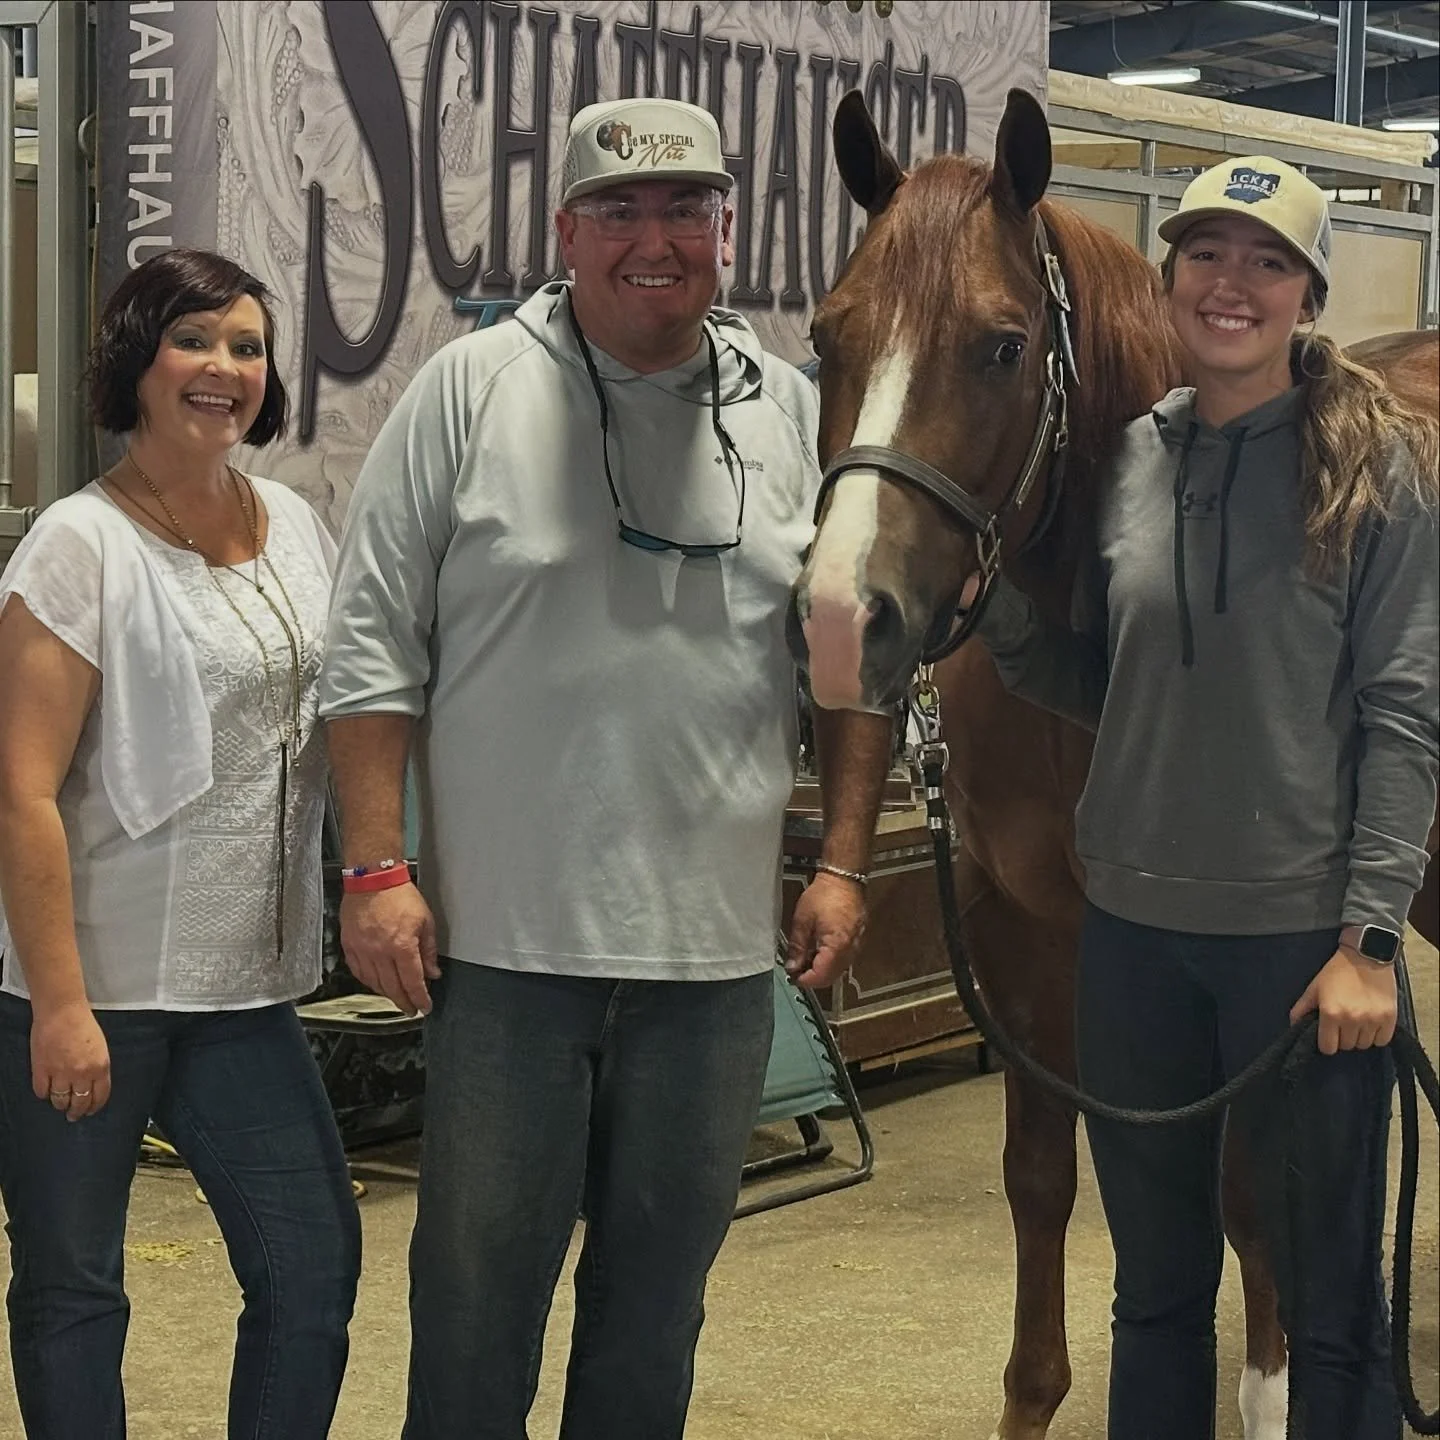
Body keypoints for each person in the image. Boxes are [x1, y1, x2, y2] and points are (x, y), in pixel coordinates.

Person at [320, 97, 891, 1439]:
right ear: (567, 230)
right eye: (623, 211)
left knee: (656, 1308)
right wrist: (375, 869)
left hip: (710, 975)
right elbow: (368, 652)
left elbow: (854, 659)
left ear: (727, 231)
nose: (657, 239)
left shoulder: (793, 414)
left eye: (687, 208)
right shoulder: (468, 391)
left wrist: (849, 861)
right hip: (509, 964)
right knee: (476, 1302)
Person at [970, 157, 1439, 1439]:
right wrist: (1001, 604)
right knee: (1158, 1291)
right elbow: (1101, 680)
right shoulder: (1128, 461)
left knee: (1334, 1298)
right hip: (1133, 943)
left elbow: (1405, 713)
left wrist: (1372, 943)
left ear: (1306, 291)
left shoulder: (1373, 468)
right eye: (1208, 256)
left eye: (1266, 261)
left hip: (1301, 953)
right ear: (1170, 276)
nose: (1232, 285)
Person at [0, 249, 361, 1439]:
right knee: (74, 1291)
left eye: (248, 347)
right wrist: (59, 1005)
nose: (225, 368)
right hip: (91, 988)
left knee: (311, 1273)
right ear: (138, 363)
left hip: (245, 989)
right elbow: (22, 793)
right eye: (195, 340)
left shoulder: (296, 524)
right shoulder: (76, 544)